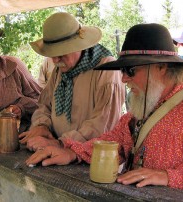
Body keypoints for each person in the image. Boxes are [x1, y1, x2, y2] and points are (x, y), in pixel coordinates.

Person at [25, 23, 183, 201]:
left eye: (130, 70)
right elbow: (113, 141)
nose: (124, 79)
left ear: (161, 67)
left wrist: (169, 177)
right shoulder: (143, 108)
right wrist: (72, 152)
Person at [19, 12, 125, 151]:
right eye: (52, 54)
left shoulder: (107, 69)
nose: (55, 60)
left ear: (79, 46)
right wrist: (42, 126)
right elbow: (44, 105)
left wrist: (61, 143)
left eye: (61, 53)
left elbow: (102, 126)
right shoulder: (61, 68)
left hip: (91, 158)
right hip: (58, 152)